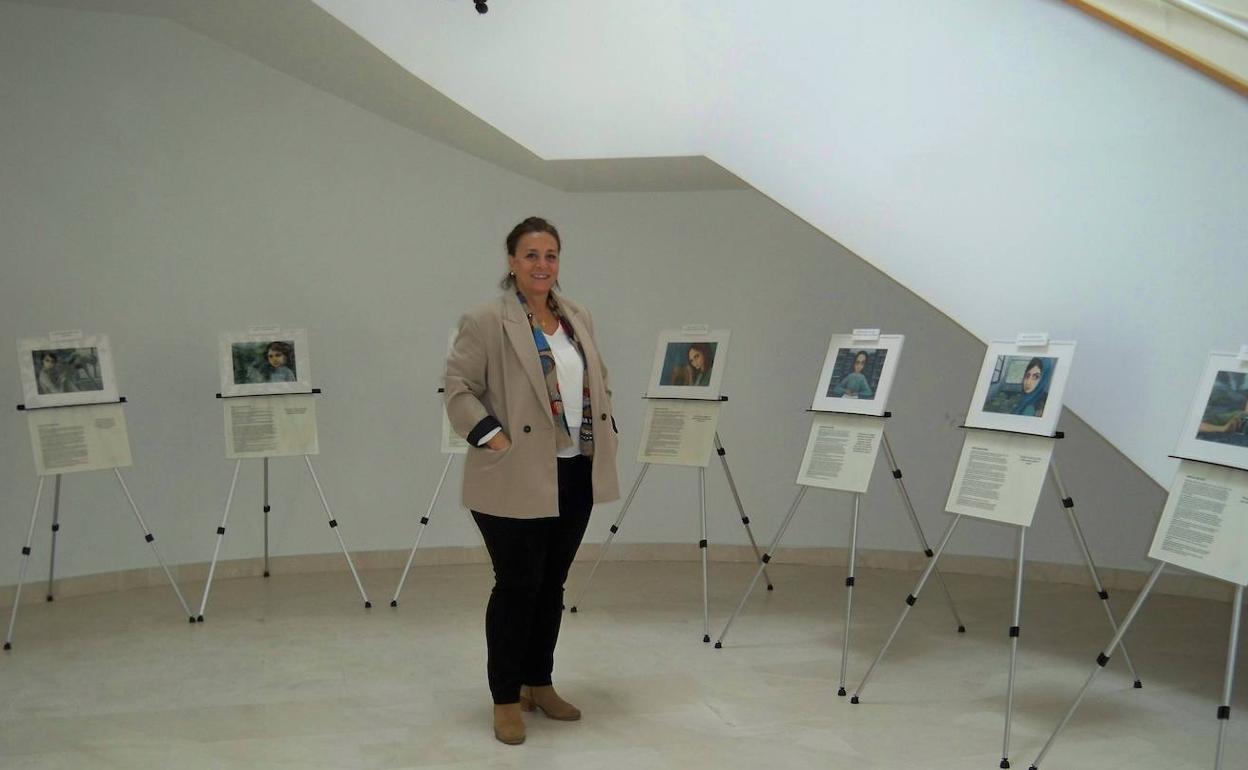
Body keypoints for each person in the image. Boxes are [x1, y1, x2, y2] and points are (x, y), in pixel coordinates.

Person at [444, 216, 620, 746]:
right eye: (531, 255)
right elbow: (457, 388)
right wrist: (495, 438)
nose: (542, 265)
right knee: (517, 587)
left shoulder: (577, 316)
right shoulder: (485, 320)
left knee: (551, 588)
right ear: (511, 262)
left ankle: (537, 682)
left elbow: (597, 378)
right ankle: (504, 699)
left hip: (574, 470)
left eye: (551, 255)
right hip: (514, 474)